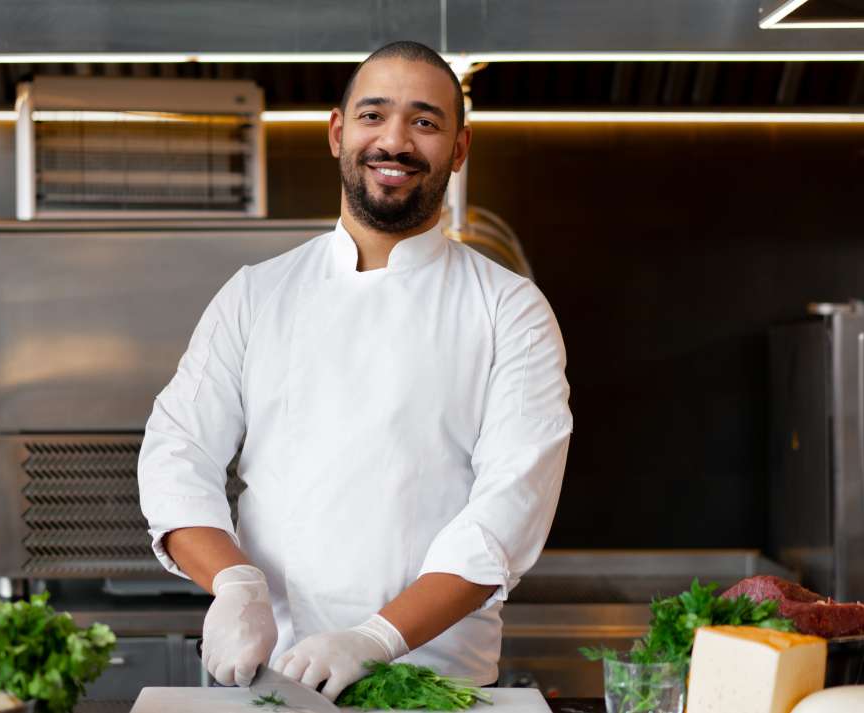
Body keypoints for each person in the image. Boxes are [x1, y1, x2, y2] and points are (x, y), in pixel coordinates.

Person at [137, 39, 571, 702]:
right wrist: (236, 582)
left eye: (425, 122)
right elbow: (177, 453)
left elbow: (506, 514)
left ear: (458, 149)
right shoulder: (257, 294)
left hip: (437, 685)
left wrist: (375, 638)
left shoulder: (510, 309)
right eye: (373, 116)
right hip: (271, 676)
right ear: (338, 132)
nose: (394, 141)